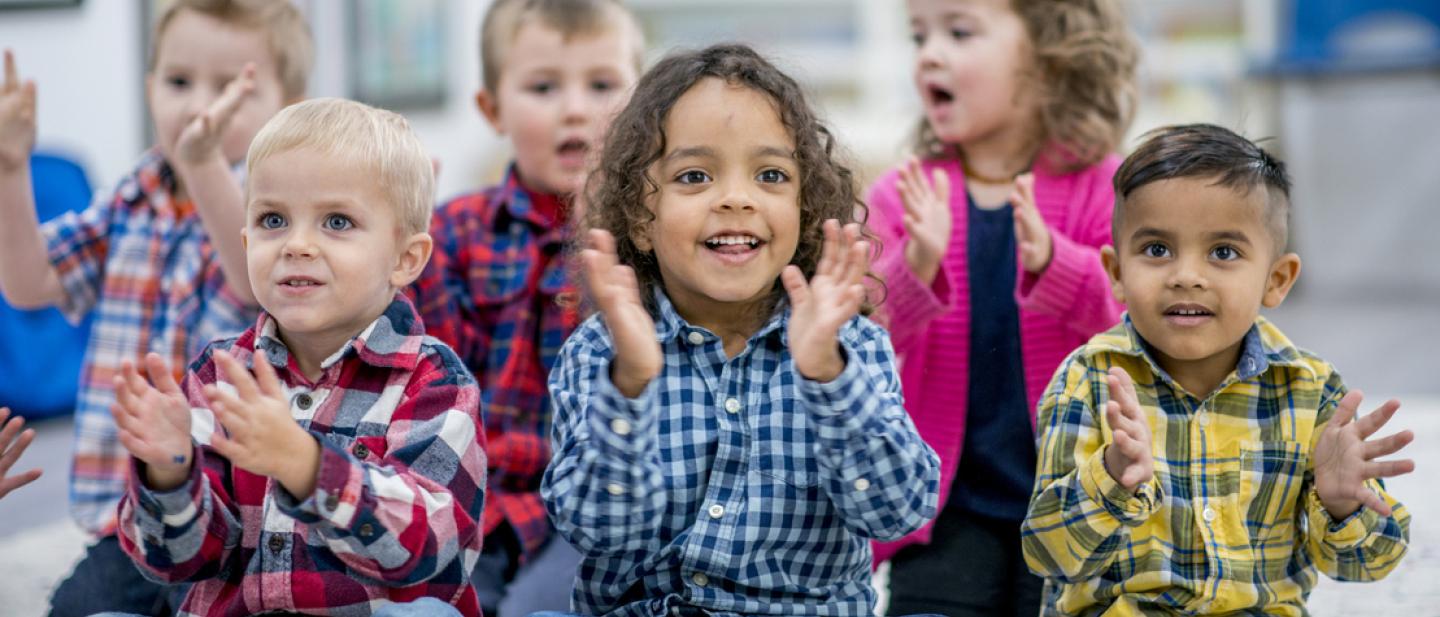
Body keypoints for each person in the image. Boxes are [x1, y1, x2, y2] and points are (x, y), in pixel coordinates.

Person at [540, 44, 941, 616]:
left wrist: (828, 376)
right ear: (641, 221)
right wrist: (628, 385)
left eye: (770, 175)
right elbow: (596, 531)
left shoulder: (849, 346)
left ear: (804, 209)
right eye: (695, 175)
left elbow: (898, 511)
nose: (736, 198)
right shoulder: (604, 352)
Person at [109, 98, 486, 616]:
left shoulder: (434, 381)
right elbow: (180, 563)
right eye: (273, 219)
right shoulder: (220, 375)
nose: (297, 244)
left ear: (405, 259)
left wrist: (308, 467)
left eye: (336, 221)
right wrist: (170, 472)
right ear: (245, 243)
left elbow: (428, 548)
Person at [1021, 123, 1414, 616]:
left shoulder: (1311, 391)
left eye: (1223, 252)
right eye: (1157, 250)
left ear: (1276, 280)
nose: (1186, 276)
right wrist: (1109, 480)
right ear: (1117, 273)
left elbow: (1368, 565)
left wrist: (1342, 504)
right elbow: (1045, 554)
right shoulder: (1089, 381)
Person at [0, 2, 312, 612]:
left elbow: (256, 283)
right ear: (149, 90)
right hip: (135, 519)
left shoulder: (280, 205)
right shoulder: (132, 197)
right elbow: (29, 285)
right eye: (178, 82)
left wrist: (202, 166)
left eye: (232, 88)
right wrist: (11, 170)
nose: (200, 107)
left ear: (287, 103)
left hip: (245, 522)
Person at [866, 1, 1137, 614]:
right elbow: (865, 329)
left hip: (1076, 501)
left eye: (959, 32)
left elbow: (1136, 325)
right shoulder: (900, 194)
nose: (929, 52)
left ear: (1048, 56)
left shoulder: (1107, 189)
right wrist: (916, 268)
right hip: (947, 508)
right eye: (919, 35)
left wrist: (1056, 264)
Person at [407, 1, 643, 613]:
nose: (575, 107)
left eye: (602, 85)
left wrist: (599, 233)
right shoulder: (454, 232)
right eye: (543, 86)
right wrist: (398, 238)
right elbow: (425, 370)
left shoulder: (653, 241)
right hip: (464, 503)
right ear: (493, 110)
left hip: (589, 512)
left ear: (642, 106)